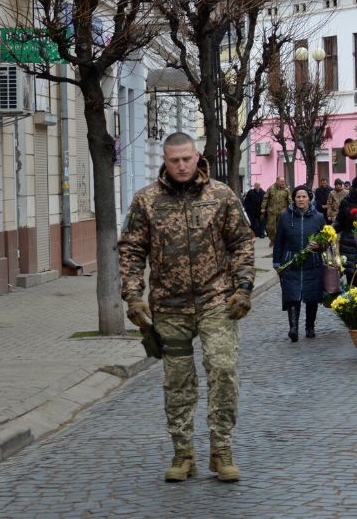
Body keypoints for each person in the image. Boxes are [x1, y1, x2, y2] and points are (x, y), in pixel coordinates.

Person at [118, 132, 254, 483]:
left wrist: (243, 288)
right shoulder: (146, 201)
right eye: (174, 160)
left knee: (223, 369)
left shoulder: (221, 196)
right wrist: (132, 295)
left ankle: (221, 450)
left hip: (216, 301)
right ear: (165, 160)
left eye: (187, 159)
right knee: (177, 381)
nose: (181, 165)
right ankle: (183, 453)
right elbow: (132, 250)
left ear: (198, 157)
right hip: (169, 306)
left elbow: (241, 243)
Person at [272, 185, 327, 341]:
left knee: (311, 296)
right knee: (292, 294)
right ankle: (293, 328)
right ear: (293, 199)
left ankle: (310, 326)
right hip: (291, 262)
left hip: (312, 262)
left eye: (304, 197)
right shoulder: (285, 217)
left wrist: (320, 246)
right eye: (298, 197)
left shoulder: (319, 218)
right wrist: (277, 263)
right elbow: (278, 242)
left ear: (309, 198)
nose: (301, 199)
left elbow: (327, 241)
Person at [260, 177, 291, 247]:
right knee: (270, 228)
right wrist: (263, 207)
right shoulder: (271, 188)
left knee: (281, 227)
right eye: (281, 181)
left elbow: (290, 200)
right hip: (272, 212)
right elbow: (265, 198)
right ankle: (272, 240)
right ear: (277, 181)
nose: (283, 183)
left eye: (283, 181)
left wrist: (292, 208)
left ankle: (280, 241)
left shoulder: (286, 190)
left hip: (282, 212)